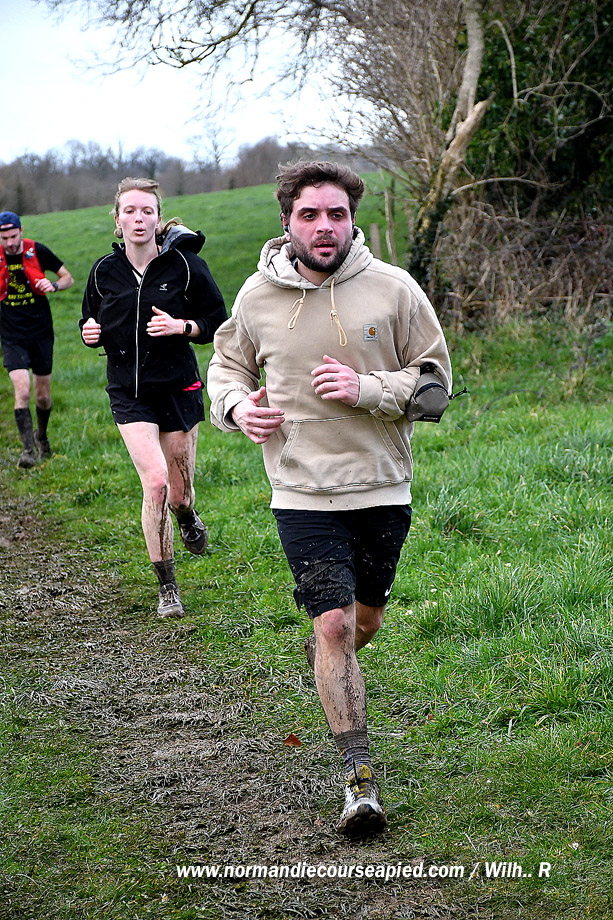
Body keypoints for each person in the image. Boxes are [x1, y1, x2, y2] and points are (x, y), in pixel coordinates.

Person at [207, 161, 452, 836]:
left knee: (362, 623)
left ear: (352, 220)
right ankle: (359, 781)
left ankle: (331, 671)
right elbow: (226, 367)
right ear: (286, 221)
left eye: (336, 214)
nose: (324, 227)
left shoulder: (394, 289)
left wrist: (367, 389)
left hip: (381, 486)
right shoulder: (257, 295)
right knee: (333, 626)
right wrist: (237, 408)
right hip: (300, 490)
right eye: (309, 215)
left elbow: (436, 389)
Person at [80, 177, 227, 618]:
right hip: (129, 393)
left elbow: (218, 321)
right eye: (130, 211)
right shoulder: (103, 271)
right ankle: (168, 587)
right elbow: (90, 319)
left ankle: (187, 516)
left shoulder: (185, 266)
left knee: (179, 495)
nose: (138, 218)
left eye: (147, 211)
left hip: (179, 389)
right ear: (118, 219)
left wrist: (183, 327)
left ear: (158, 218)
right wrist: (89, 332)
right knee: (157, 482)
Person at [0, 210, 74, 468]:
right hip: (11, 335)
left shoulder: (37, 250)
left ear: (21, 231)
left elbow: (68, 278)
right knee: (22, 390)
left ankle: (41, 436)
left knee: (43, 397)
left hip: (41, 333)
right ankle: (27, 451)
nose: (10, 243)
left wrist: (53, 285)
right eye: (4, 238)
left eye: (13, 236)